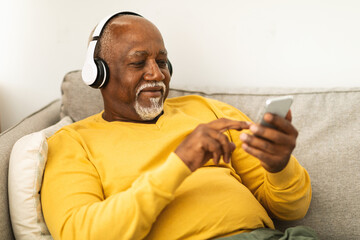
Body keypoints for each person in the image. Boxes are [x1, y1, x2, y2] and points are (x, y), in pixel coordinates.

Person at [41, 12, 316, 240]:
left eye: (162, 62)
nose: (157, 74)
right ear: (99, 73)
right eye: (138, 63)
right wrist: (179, 163)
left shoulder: (208, 110)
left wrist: (280, 167)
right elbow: (81, 232)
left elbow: (293, 210)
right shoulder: (73, 142)